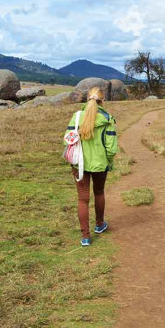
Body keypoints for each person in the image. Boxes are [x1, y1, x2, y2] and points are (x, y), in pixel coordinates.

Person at [64, 87, 118, 247]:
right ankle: (99, 224)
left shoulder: (76, 116)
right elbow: (111, 148)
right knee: (99, 192)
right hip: (100, 164)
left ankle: (85, 236)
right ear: (103, 101)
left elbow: (67, 140)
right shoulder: (108, 119)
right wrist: (108, 161)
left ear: (87, 99)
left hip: (78, 164)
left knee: (83, 199)